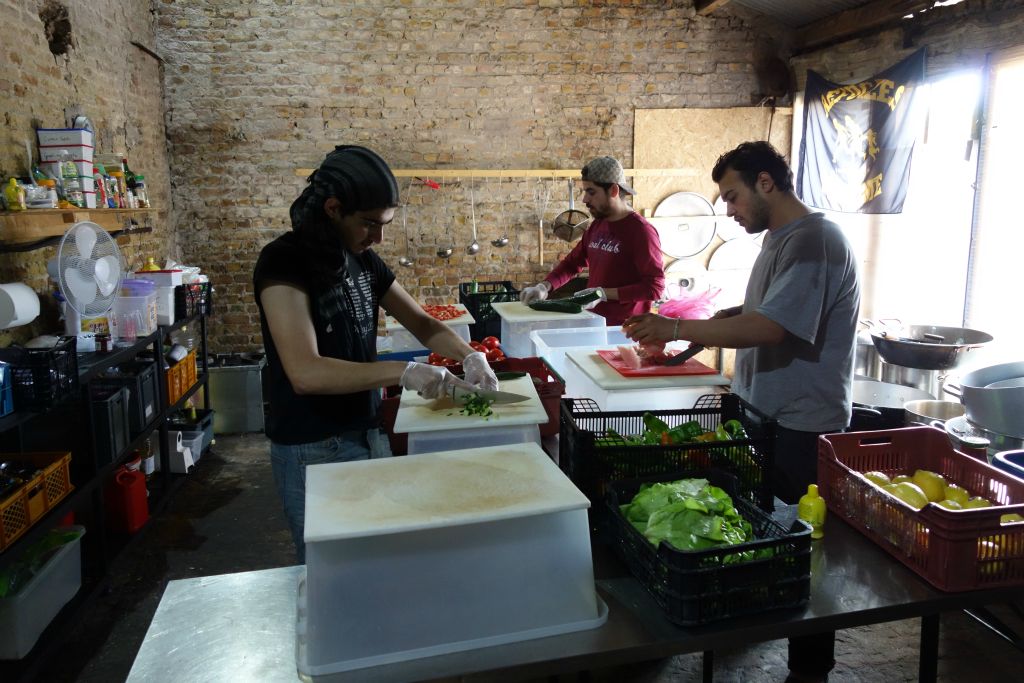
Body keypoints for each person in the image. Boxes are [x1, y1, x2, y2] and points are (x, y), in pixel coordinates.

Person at [623, 141, 860, 683]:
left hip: (803, 425)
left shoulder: (816, 242)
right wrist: (693, 341)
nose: (728, 210)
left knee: (807, 552)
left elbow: (773, 328)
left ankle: (809, 670)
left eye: (732, 196)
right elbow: (757, 312)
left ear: (766, 183)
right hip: (764, 412)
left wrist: (678, 327)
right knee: (749, 530)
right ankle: (748, 627)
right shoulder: (781, 239)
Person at [253, 145, 498, 562]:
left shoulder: (361, 259)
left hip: (365, 432)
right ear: (333, 209)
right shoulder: (284, 262)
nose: (378, 237)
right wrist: (400, 373)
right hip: (313, 447)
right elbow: (305, 372)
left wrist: (471, 355)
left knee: (373, 558)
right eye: (369, 224)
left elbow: (422, 323)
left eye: (384, 224)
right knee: (331, 567)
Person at [519, 156, 665, 326]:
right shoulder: (598, 225)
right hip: (593, 321)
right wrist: (544, 287)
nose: (585, 200)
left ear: (614, 191)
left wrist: (603, 293)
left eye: (591, 192)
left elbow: (655, 288)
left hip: (624, 331)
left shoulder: (641, 231)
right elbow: (572, 264)